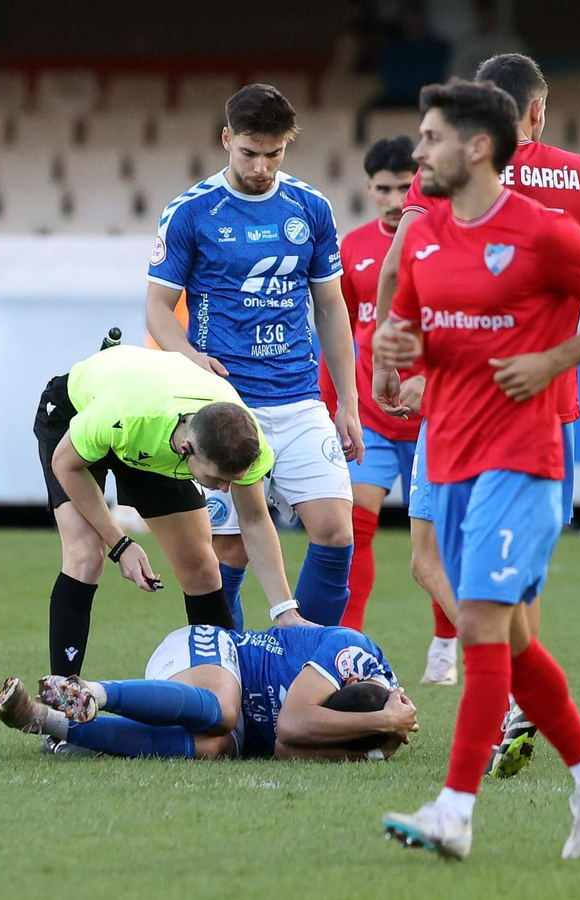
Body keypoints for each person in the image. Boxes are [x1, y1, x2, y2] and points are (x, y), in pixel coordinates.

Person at [374, 80, 580, 861]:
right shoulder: (425, 235)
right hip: (452, 455)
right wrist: (398, 352)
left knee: (479, 625)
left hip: (523, 457)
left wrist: (555, 360)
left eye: (431, 138)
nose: (418, 152)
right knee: (516, 642)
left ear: (477, 147)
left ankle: (454, 813)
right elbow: (418, 333)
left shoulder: (544, 231)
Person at [145, 84, 362, 630]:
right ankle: (231, 667)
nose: (262, 167)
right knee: (230, 549)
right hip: (225, 404)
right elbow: (157, 310)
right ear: (227, 140)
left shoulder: (311, 207)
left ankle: (301, 663)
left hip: (299, 397)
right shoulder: (191, 211)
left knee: (337, 531)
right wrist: (191, 357)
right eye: (249, 152)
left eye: (274, 153)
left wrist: (348, 401)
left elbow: (331, 307)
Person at [35, 344, 311, 682]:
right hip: (80, 414)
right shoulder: (125, 416)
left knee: (202, 567)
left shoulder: (245, 437)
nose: (225, 489)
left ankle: (222, 693)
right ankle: (61, 698)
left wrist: (285, 611)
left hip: (153, 432)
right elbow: (66, 465)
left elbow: (254, 520)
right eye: (218, 479)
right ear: (186, 449)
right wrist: (120, 544)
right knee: (86, 555)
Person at [317, 136, 456, 649]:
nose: (396, 200)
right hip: (372, 417)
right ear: (369, 188)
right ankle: (348, 643)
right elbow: (336, 335)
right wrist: (332, 406)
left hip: (434, 416)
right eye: (384, 189)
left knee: (438, 538)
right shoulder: (351, 249)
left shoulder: (445, 242)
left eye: (404, 187)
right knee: (354, 528)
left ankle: (445, 640)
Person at [0, 622, 415, 762]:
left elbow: (286, 748)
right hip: (215, 653)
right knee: (223, 711)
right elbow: (292, 724)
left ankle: (43, 721)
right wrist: (382, 722)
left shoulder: (384, 732)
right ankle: (92, 693)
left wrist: (377, 743)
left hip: (238, 729)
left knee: (215, 747)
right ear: (349, 682)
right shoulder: (352, 653)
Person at [447, 0, 528, 81]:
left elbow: (523, 75)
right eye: (483, 15)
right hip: (472, 87)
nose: (486, 19)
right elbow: (454, 76)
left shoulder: (510, 43)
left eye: (489, 15)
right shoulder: (465, 45)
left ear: (495, 15)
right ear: (478, 15)